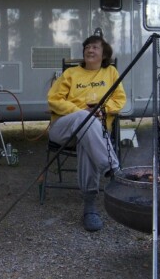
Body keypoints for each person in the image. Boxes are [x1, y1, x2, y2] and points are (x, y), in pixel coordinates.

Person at [47, 35, 125, 232]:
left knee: (87, 140)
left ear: (104, 54)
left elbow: (120, 100)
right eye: (87, 47)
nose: (90, 50)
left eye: (95, 48)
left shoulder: (111, 72)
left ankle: (90, 207)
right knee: (85, 120)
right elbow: (54, 99)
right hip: (64, 129)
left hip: (91, 135)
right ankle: (113, 168)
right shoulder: (71, 73)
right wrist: (81, 113)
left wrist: (102, 110)